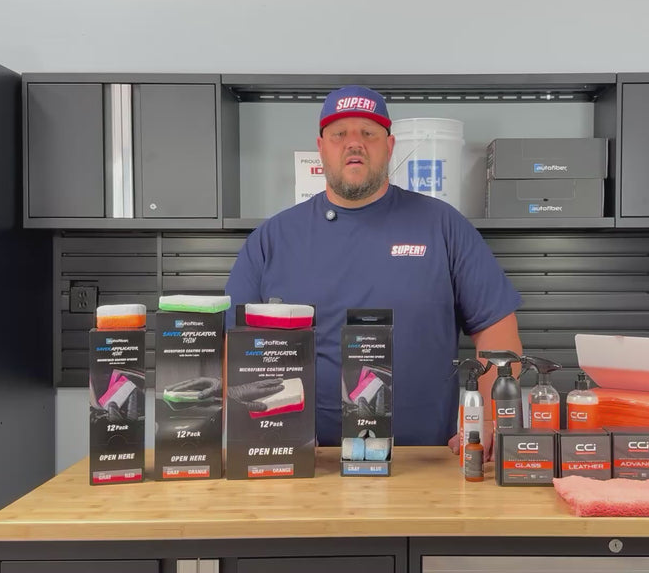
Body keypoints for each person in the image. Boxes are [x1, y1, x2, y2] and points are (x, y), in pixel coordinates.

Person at [224, 85, 523, 460]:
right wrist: (260, 432)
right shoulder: (272, 238)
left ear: (390, 146)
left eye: (368, 133)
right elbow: (232, 346)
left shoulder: (443, 226)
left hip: (424, 460)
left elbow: (496, 328)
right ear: (321, 148)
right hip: (305, 462)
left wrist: (491, 418)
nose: (355, 144)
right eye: (339, 134)